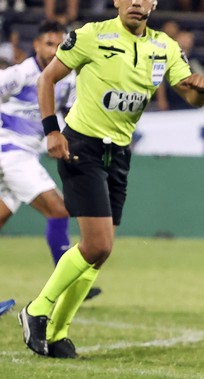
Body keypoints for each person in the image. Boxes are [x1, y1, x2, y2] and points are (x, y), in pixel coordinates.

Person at [18, 0, 204, 359]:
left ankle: (58, 333)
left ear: (153, 4)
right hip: (81, 146)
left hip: (118, 153)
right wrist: (52, 132)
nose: (137, 3)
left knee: (98, 253)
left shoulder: (164, 47)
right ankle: (36, 311)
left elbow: (191, 96)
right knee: (98, 246)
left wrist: (200, 90)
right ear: (117, 2)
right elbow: (47, 78)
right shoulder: (92, 35)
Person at [0, 20, 102, 300]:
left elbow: (71, 114)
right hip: (10, 152)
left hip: (23, 155)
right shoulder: (21, 74)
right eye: (48, 44)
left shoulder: (66, 79)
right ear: (36, 45)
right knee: (58, 211)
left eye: (59, 45)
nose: (53, 50)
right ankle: (67, 283)